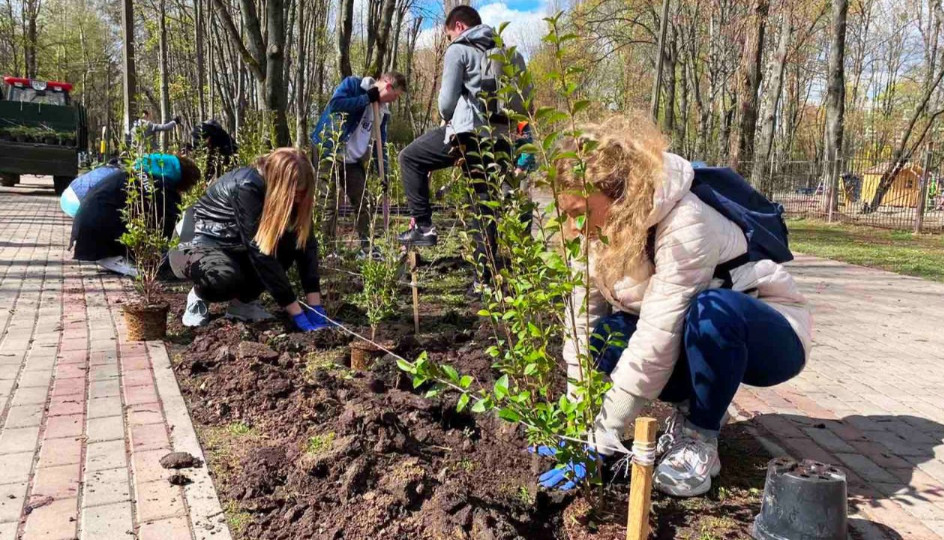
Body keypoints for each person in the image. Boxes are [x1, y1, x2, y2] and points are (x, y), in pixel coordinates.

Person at [544, 116, 812, 497]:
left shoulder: (686, 221)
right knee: (607, 335)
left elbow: (658, 334)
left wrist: (605, 435)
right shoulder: (596, 235)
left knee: (711, 311)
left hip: (771, 336)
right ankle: (693, 406)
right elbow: (582, 322)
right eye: (565, 214)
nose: (572, 229)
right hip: (692, 336)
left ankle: (700, 437)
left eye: (579, 213)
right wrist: (576, 424)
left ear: (618, 194)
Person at [397, 5, 528, 288]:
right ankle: (485, 282)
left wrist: (448, 119)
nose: (448, 41)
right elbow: (523, 103)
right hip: (502, 140)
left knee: (410, 158)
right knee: (485, 206)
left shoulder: (459, 49)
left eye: (447, 35)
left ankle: (424, 226)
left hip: (468, 135)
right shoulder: (511, 53)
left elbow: (446, 103)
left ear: (458, 26)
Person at [175, 148, 329, 332]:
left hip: (236, 246)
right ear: (281, 185)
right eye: (294, 193)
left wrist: (315, 308)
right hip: (201, 242)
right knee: (224, 278)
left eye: (302, 194)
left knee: (289, 244)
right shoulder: (247, 186)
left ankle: (242, 304)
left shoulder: (291, 200)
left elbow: (306, 248)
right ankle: (199, 295)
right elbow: (260, 251)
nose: (298, 199)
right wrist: (295, 312)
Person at [311, 72, 407, 256]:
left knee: (364, 201)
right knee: (328, 203)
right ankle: (327, 249)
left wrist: (382, 172)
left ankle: (366, 247)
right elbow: (335, 105)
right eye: (396, 95)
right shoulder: (353, 85)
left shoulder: (383, 111)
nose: (395, 100)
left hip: (352, 160)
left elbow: (381, 143)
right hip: (329, 150)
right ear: (387, 86)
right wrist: (365, 99)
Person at [71, 154, 201, 276]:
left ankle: (111, 254)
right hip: (98, 234)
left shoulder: (134, 174)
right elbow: (169, 226)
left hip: (87, 227)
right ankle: (112, 256)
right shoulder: (161, 188)